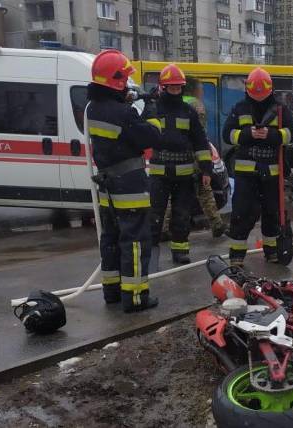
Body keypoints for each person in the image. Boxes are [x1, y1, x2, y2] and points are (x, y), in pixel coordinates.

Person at [86, 49, 162, 312]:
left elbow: (116, 132)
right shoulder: (123, 114)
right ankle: (136, 296)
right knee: (136, 241)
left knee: (111, 239)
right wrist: (150, 108)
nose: (128, 84)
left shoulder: (94, 108)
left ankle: (113, 292)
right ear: (116, 81)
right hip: (129, 185)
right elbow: (151, 136)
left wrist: (128, 101)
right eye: (125, 80)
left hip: (107, 187)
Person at [222, 67, 293, 266]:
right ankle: (237, 256)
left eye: (261, 95)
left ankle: (272, 251)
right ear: (247, 90)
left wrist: (272, 135)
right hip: (245, 175)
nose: (258, 98)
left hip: (271, 173)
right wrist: (247, 135)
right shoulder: (239, 108)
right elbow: (227, 134)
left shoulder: (280, 109)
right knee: (241, 213)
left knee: (271, 212)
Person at [143, 64, 213, 265]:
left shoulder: (188, 111)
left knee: (182, 215)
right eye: (171, 87)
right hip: (159, 173)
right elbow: (139, 133)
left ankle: (180, 251)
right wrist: (147, 107)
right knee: (155, 214)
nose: (175, 91)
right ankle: (150, 251)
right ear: (163, 87)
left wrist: (206, 168)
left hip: (184, 174)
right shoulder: (154, 108)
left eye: (178, 87)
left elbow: (200, 141)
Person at [161, 79, 226, 238]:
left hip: (172, 155)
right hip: (192, 155)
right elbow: (199, 134)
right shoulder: (196, 105)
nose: (202, 92)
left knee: (170, 192)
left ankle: (162, 227)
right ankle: (216, 223)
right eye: (201, 89)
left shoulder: (172, 102)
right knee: (204, 188)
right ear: (194, 90)